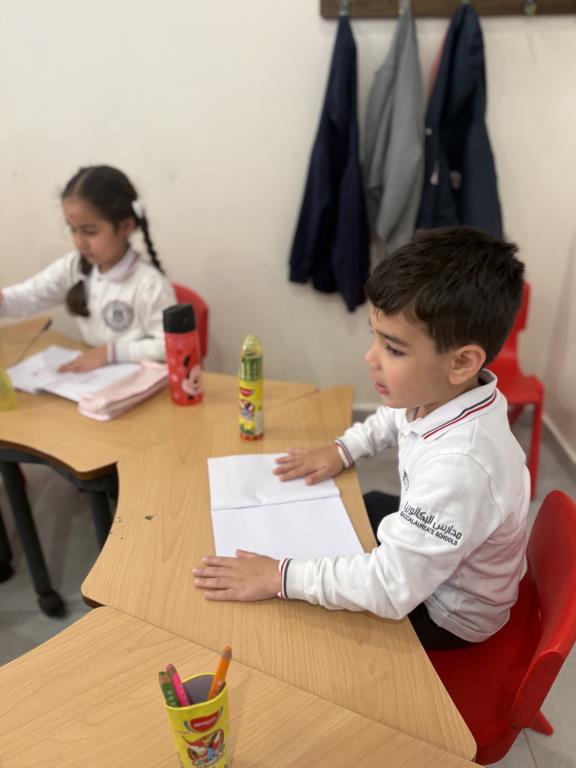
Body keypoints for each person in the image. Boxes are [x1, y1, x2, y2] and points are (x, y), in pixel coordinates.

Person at [193, 227, 530, 650]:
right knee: (352, 509)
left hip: (449, 614)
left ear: (462, 362)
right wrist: (343, 449)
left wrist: (279, 576)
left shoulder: (462, 466)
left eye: (394, 349)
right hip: (437, 560)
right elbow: (395, 418)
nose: (370, 358)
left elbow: (389, 588)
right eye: (375, 337)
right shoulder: (444, 394)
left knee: (301, 635)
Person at [0, 165, 176, 371]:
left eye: (90, 231)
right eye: (72, 230)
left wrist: (110, 353)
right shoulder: (74, 266)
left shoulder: (149, 284)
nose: (79, 242)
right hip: (92, 377)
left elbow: (169, 345)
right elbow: (32, 294)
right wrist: (4, 301)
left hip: (139, 378)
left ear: (126, 227)